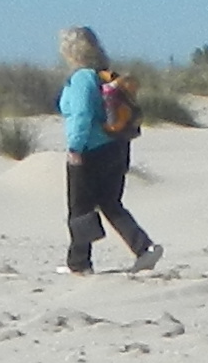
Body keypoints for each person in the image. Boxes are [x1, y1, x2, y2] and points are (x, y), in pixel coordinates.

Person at [57, 25, 158, 273]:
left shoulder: (82, 77)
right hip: (117, 146)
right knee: (110, 203)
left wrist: (75, 147)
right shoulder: (105, 75)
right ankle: (144, 248)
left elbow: (82, 114)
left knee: (80, 207)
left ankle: (79, 263)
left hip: (90, 149)